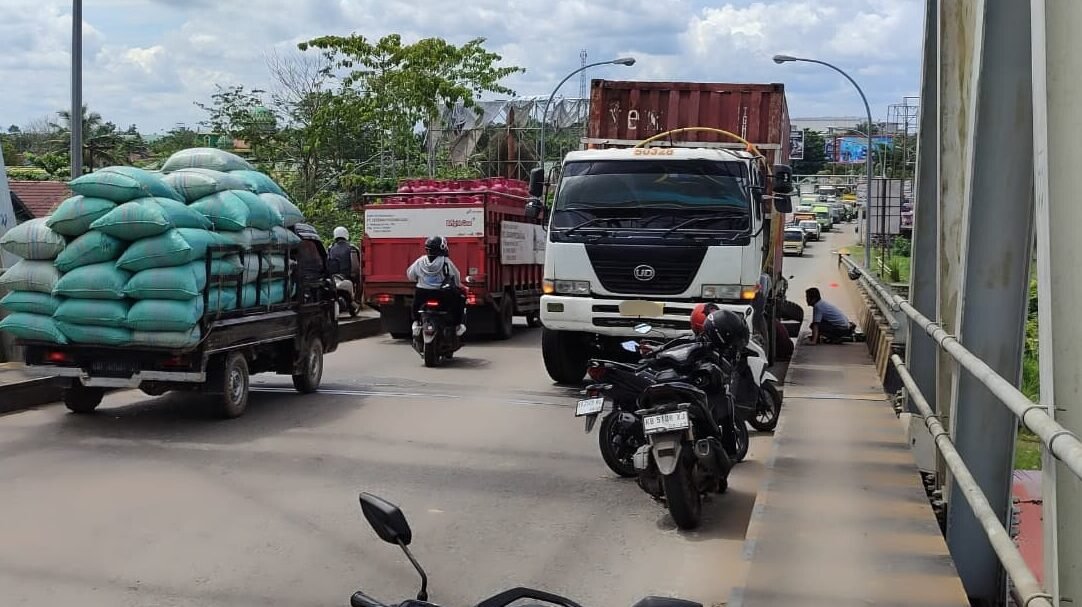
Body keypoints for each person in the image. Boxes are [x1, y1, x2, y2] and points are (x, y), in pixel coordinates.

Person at [407, 235, 466, 337]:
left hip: (422, 293)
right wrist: (458, 285)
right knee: (459, 299)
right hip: (442, 294)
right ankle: (458, 326)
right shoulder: (445, 261)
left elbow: (411, 275)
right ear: (442, 247)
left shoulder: (420, 261)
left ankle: (416, 322)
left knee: (415, 304)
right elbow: (456, 276)